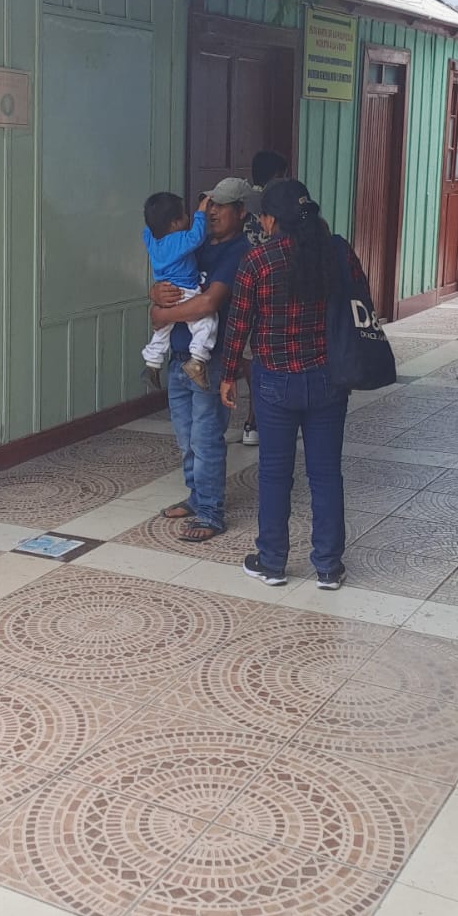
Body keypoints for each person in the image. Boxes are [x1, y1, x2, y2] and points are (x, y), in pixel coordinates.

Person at [220, 178, 369, 591]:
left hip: (274, 382)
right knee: (326, 474)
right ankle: (328, 567)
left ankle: (271, 562)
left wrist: (228, 373)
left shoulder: (257, 260)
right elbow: (361, 300)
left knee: (274, 474)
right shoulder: (337, 251)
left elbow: (239, 324)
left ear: (270, 220)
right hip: (328, 379)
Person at [149, 178, 250, 543]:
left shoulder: (239, 252)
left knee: (206, 439)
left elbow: (208, 303)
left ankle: (210, 512)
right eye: (210, 204)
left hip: (212, 361)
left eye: (222, 206)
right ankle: (196, 497)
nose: (213, 212)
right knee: (185, 438)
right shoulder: (196, 243)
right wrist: (154, 293)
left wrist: (162, 314)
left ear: (241, 212)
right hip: (179, 358)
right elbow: (166, 280)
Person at [234, 150, 288, 445]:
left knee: (248, 355)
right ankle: (260, 418)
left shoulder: (241, 203)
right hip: (274, 288)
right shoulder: (278, 203)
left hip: (241, 285)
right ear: (277, 175)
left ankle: (253, 420)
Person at [141, 192, 217, 392]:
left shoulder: (151, 241)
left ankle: (152, 363)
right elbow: (197, 236)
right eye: (183, 216)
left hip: (166, 293)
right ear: (174, 224)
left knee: (162, 331)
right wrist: (201, 211)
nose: (187, 218)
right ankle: (197, 360)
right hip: (185, 291)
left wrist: (153, 219)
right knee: (206, 321)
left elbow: (148, 229)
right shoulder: (179, 240)